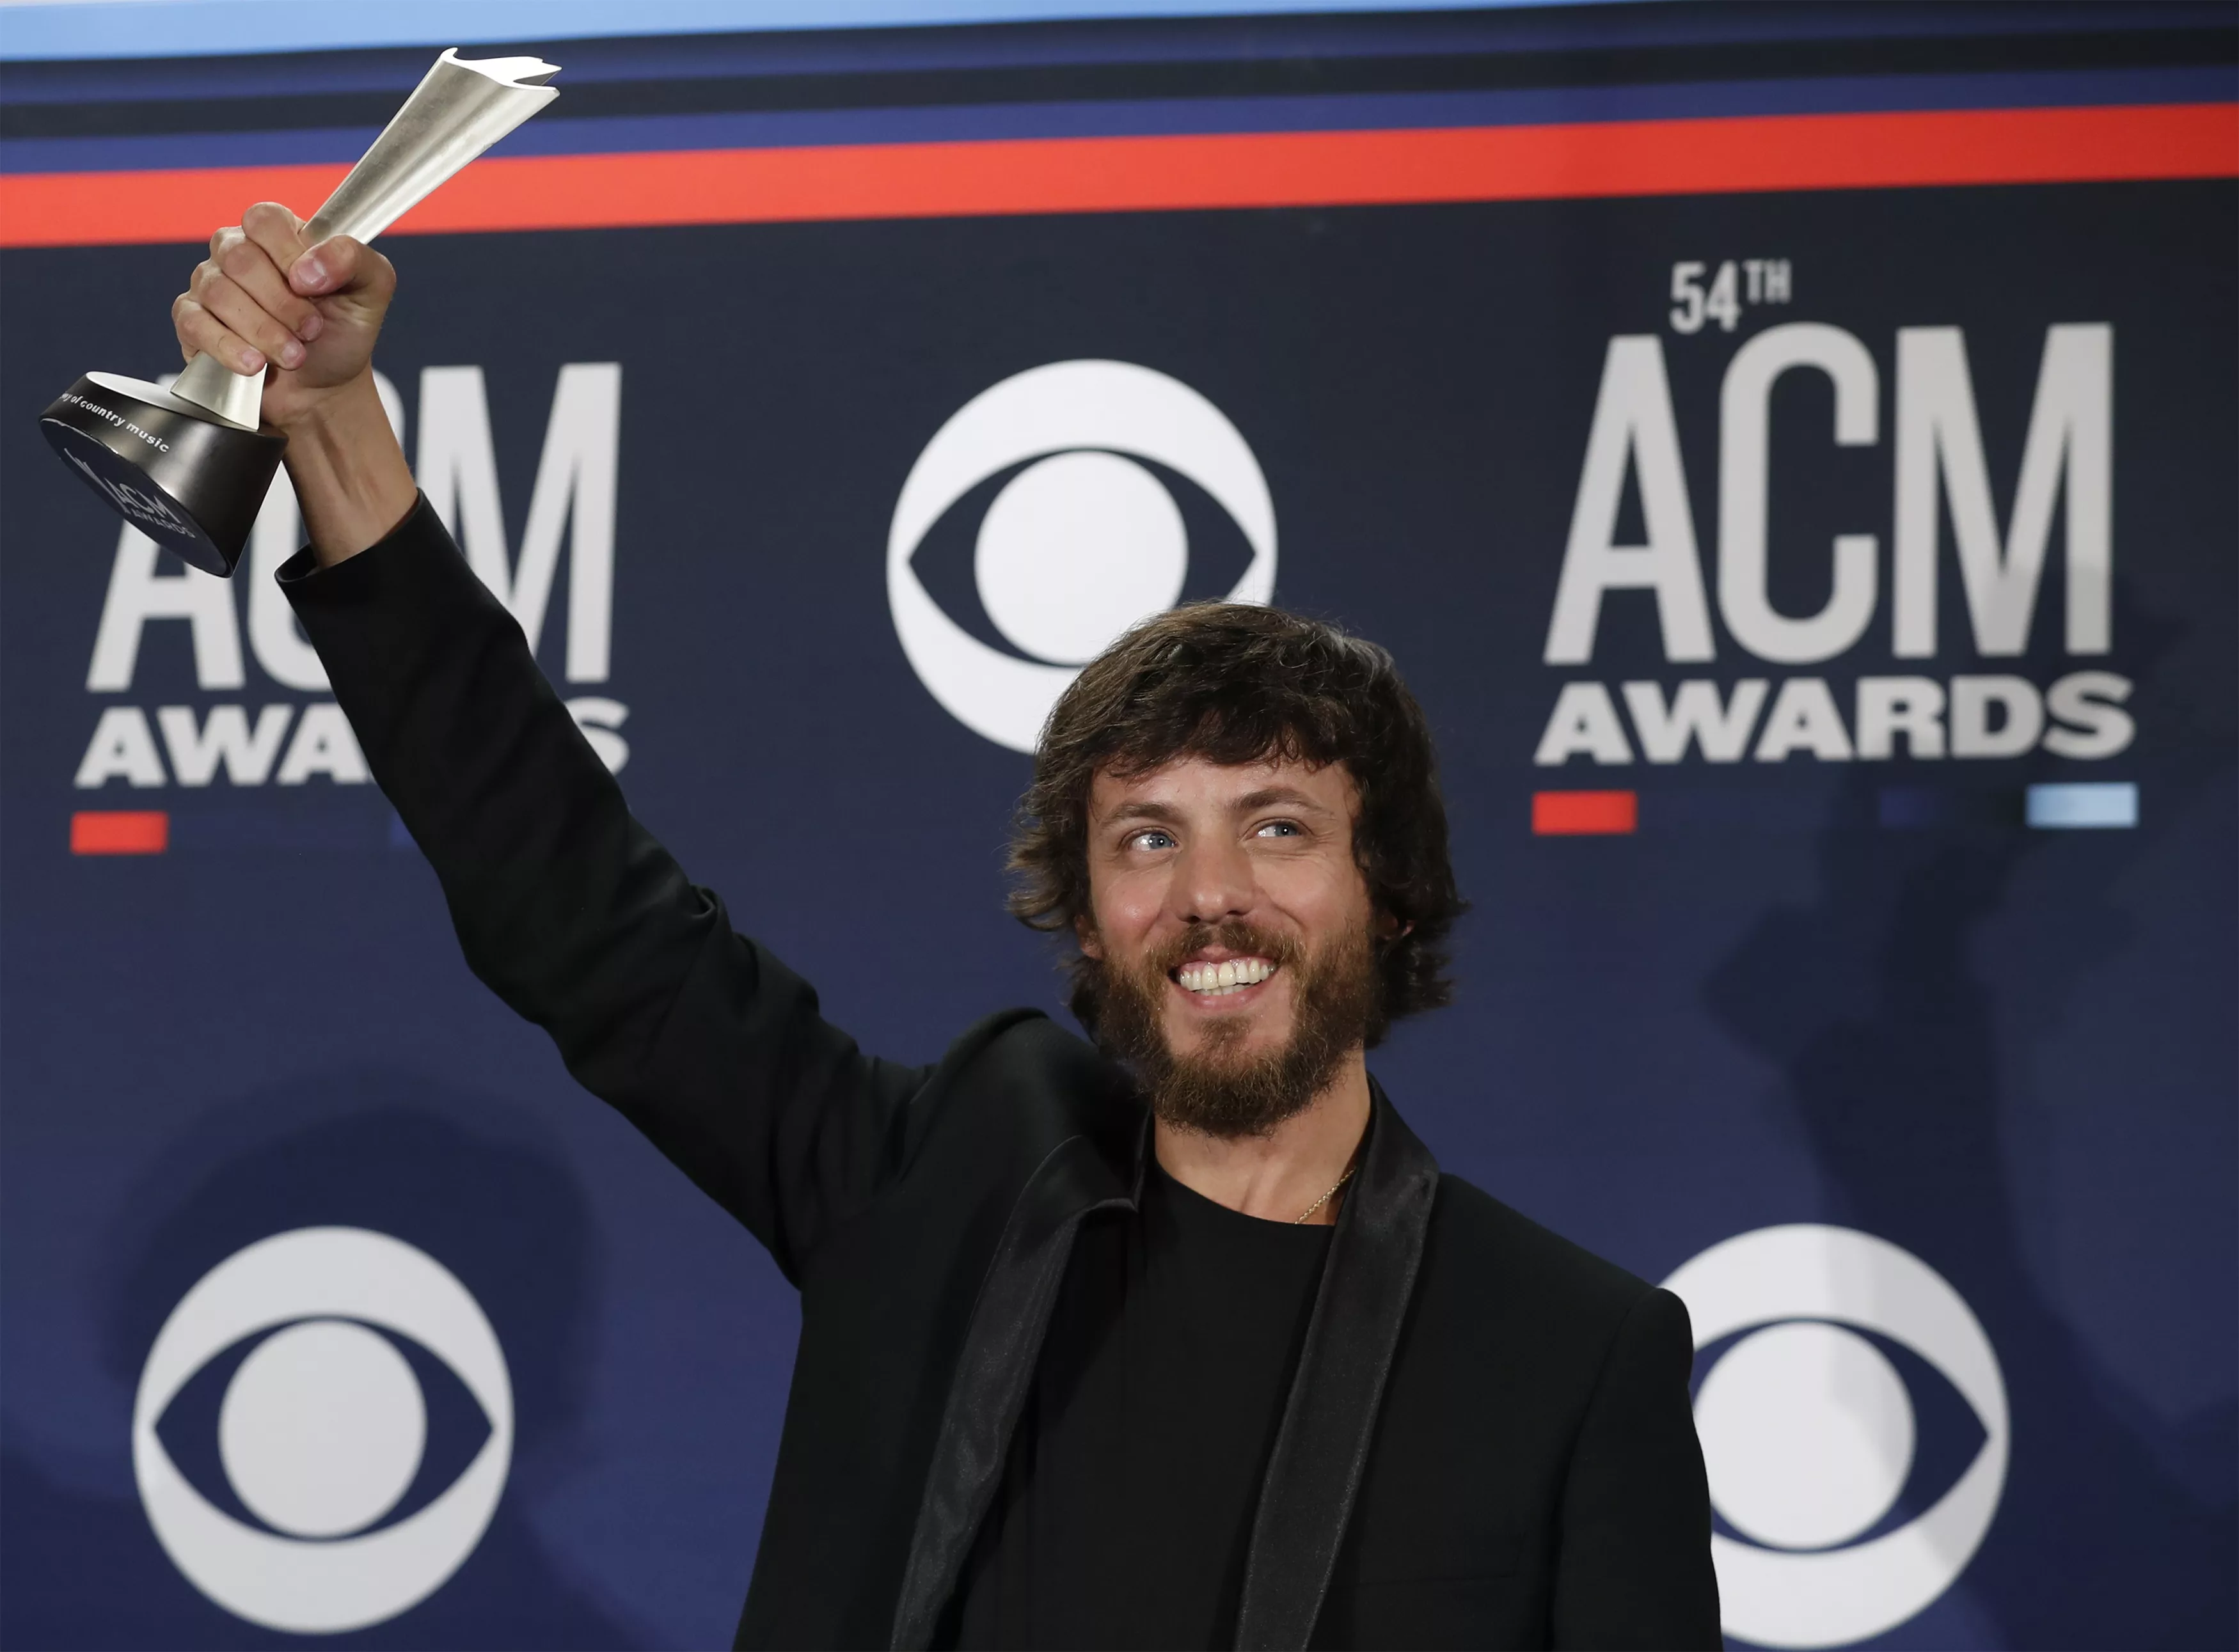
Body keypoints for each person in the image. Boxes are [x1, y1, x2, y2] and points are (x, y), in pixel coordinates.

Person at [171, 204, 1720, 1651]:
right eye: (1145, 839)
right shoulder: (953, 1181)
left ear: (1387, 886)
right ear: (1091, 911)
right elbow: (579, 911)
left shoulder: (1571, 1360)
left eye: (1276, 826)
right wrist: (336, 430)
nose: (1208, 896)